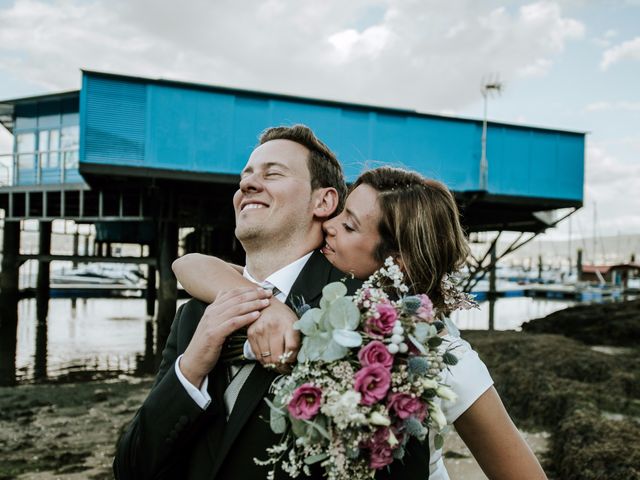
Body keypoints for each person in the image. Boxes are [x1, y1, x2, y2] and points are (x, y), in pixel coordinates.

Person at [173, 167, 548, 479]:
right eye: (340, 213)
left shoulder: (442, 356)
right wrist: (269, 307)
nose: (330, 226)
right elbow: (189, 265)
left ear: (396, 261)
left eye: (349, 226)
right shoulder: (309, 299)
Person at [113, 125, 360, 480]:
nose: (247, 185)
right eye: (245, 176)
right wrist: (191, 368)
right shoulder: (194, 316)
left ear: (323, 201)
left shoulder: (359, 309)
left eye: (272, 173)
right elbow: (132, 470)